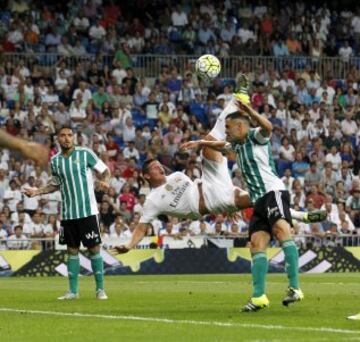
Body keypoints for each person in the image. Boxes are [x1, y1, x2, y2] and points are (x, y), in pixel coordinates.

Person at [182, 99, 305, 312]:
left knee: (282, 230)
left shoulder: (255, 137)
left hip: (272, 191)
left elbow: (268, 127)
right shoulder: (237, 145)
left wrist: (250, 111)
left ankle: (295, 287)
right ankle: (258, 297)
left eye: (228, 128)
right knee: (257, 244)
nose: (226, 132)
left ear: (240, 126)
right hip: (258, 200)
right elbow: (221, 145)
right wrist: (200, 143)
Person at [24, 126, 110, 300]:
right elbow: (55, 184)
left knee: (94, 249)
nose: (66, 138)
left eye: (69, 135)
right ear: (58, 139)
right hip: (69, 214)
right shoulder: (55, 161)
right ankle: (73, 292)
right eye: (62, 136)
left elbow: (105, 170)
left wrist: (105, 182)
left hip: (87, 212)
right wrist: (36, 192)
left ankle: (100, 290)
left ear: (74, 137)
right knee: (72, 250)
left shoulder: (85, 153)